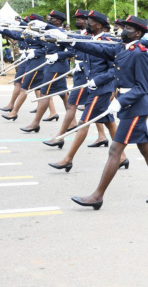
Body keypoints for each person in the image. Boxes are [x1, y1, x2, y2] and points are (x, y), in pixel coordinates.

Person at [48, 15, 148, 209]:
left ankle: (97, 195)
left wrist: (120, 101)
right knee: (145, 148)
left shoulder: (139, 52)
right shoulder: (121, 48)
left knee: (115, 150)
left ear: (138, 33)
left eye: (127, 28)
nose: (122, 31)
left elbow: (142, 86)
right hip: (129, 107)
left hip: (135, 108)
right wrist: (70, 40)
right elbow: (96, 48)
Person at [47, 10, 127, 172]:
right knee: (109, 121)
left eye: (89, 21)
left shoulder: (107, 41)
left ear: (98, 24)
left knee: (84, 123)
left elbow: (116, 69)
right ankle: (123, 157)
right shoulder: (95, 38)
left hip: (101, 88)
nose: (86, 23)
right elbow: (79, 44)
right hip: (95, 86)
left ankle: (68, 159)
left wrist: (98, 80)